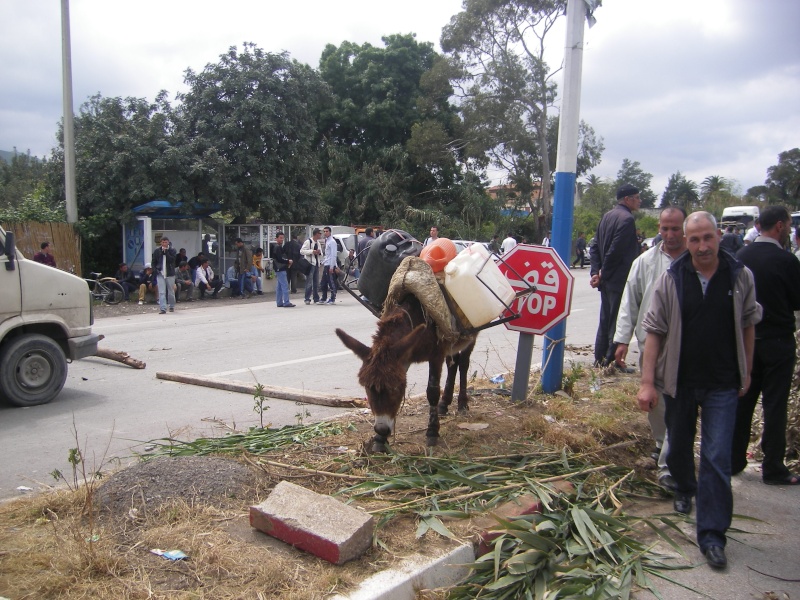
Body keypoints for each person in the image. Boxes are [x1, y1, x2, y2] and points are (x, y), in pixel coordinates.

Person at [637, 211, 760, 570]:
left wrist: (747, 371)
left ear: (719, 235)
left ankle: (711, 535)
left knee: (716, 458)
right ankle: (685, 487)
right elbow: (654, 332)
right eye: (695, 240)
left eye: (708, 237)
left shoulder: (740, 276)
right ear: (686, 243)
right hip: (680, 381)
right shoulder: (671, 279)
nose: (702, 246)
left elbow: (750, 324)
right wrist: (647, 382)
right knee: (677, 450)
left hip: (723, 382)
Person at [613, 207, 687, 489]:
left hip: (688, 346)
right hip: (652, 343)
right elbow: (629, 300)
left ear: (684, 228)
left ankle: (671, 459)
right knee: (656, 399)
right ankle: (661, 443)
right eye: (665, 229)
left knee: (681, 402)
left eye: (675, 229)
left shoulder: (694, 261)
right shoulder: (644, 262)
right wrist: (622, 339)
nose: (669, 235)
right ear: (659, 227)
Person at [732, 205, 800, 486]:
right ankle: (773, 467)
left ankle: (733, 459)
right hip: (778, 342)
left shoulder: (740, 257)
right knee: (775, 405)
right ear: (781, 226)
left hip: (745, 341)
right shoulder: (786, 261)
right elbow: (797, 301)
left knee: (743, 401)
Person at [589, 183, 641, 367]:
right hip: (617, 278)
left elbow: (594, 247)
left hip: (607, 278)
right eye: (637, 197)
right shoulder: (627, 219)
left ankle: (599, 357)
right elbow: (615, 251)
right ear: (627, 199)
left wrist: (596, 272)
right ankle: (611, 360)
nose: (639, 201)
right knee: (617, 320)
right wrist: (602, 273)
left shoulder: (607, 216)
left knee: (605, 318)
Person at [152, 236, 177, 314]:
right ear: (161, 243)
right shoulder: (157, 251)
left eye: (165, 242)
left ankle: (172, 305)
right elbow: (153, 261)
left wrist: (166, 253)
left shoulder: (172, 250)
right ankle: (163, 308)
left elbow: (171, 260)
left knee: (171, 291)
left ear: (168, 242)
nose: (164, 244)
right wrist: (155, 269)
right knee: (162, 292)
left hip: (170, 274)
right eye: (162, 242)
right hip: (160, 273)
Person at [272, 231, 294, 307]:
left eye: (282, 238)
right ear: (276, 238)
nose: (282, 239)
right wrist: (288, 261)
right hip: (280, 268)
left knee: (279, 286)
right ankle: (286, 302)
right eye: (280, 238)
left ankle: (279, 302)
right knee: (284, 285)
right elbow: (280, 259)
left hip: (278, 268)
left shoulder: (277, 247)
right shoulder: (277, 248)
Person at [301, 228, 323, 305]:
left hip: (316, 264)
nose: (320, 235)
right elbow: (302, 251)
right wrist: (312, 252)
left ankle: (316, 298)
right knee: (309, 282)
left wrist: (319, 253)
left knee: (316, 282)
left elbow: (321, 253)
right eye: (319, 233)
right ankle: (307, 298)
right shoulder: (308, 242)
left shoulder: (318, 243)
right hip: (310, 264)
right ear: (316, 234)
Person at [320, 226, 338, 305]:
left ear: (330, 232)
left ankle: (332, 298)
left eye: (327, 231)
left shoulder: (332, 242)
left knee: (331, 282)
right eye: (324, 231)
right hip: (326, 264)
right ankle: (324, 297)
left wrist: (332, 266)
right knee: (323, 282)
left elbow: (333, 255)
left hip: (330, 265)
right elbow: (327, 255)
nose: (325, 233)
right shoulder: (327, 241)